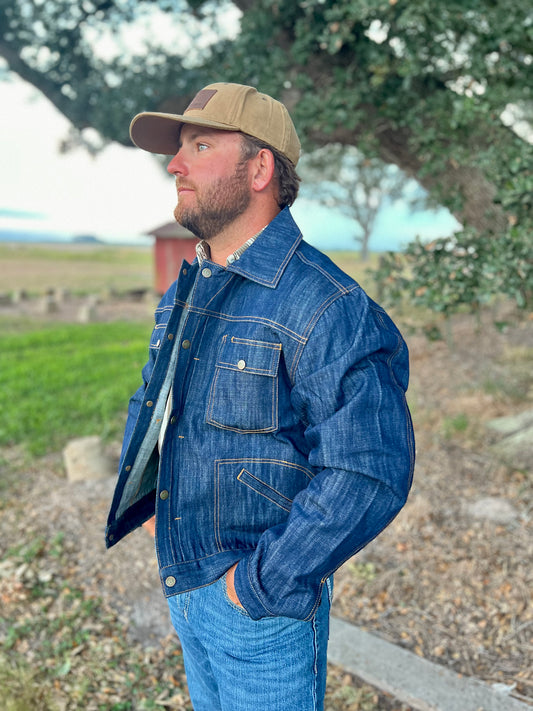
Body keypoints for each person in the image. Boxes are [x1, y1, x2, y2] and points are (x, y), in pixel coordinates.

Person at [106, 82, 415, 711]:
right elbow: (154, 403)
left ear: (260, 169)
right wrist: (148, 499)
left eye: (200, 146)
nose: (175, 164)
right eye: (179, 149)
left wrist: (256, 587)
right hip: (185, 584)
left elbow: (369, 468)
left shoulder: (327, 305)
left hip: (259, 611)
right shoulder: (186, 291)